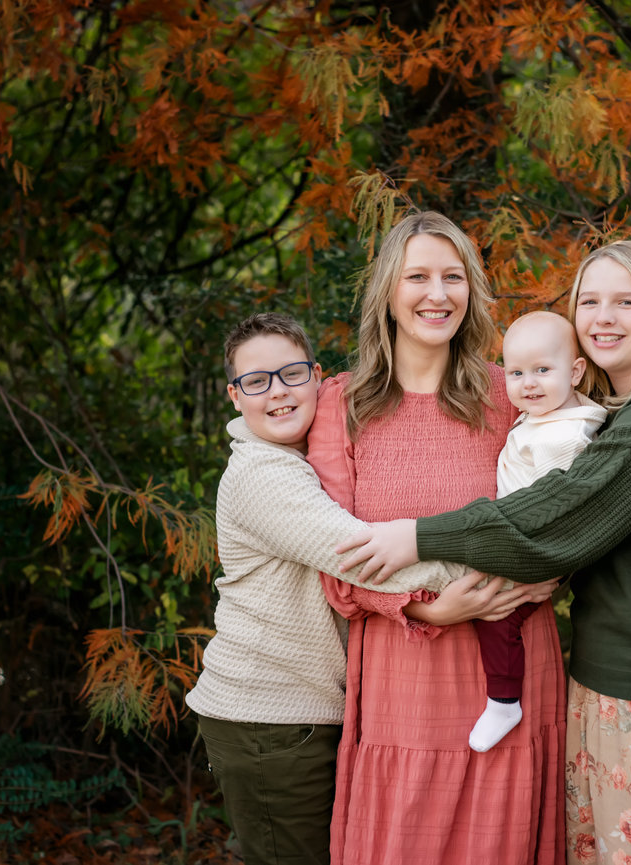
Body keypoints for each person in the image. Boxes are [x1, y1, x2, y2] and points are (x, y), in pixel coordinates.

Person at [337, 241, 631, 865]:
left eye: (627, 301)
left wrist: (418, 535)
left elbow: (558, 516)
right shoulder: (608, 414)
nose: (603, 317)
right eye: (589, 301)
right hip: (606, 678)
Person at [305, 211, 566, 865]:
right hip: (402, 672)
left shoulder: (516, 394)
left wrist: (559, 571)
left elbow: (580, 503)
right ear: (387, 292)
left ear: (472, 290)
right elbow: (333, 559)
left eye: (454, 277)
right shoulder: (343, 404)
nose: (437, 294)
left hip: (507, 665)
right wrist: (431, 608)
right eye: (417, 276)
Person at [184, 313, 478, 865]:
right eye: (256, 381)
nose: (277, 392)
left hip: (300, 713)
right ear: (233, 395)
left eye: (292, 374)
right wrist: (481, 576)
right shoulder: (263, 475)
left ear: (319, 377)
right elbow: (363, 556)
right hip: (267, 715)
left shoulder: (307, 460)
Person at [467, 311, 607, 753]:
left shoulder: (564, 437)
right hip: (515, 536)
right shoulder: (545, 416)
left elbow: (558, 507)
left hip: (529, 547)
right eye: (516, 373)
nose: (528, 383)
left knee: (496, 616)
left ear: (576, 371)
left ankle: (504, 700)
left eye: (543, 371)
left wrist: (543, 563)